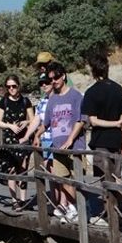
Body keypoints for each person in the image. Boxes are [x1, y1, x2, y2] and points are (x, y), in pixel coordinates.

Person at [81, 50, 122, 228]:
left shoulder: (91, 92)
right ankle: (119, 210)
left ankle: (109, 215)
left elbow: (92, 120)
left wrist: (113, 124)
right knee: (117, 178)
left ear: (93, 71)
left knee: (105, 178)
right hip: (117, 140)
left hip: (101, 140)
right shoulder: (119, 89)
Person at [42, 62, 85, 223]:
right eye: (51, 79)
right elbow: (45, 123)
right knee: (61, 178)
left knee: (74, 179)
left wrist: (71, 139)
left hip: (74, 146)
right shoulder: (52, 100)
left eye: (56, 77)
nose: (53, 81)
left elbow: (80, 120)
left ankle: (77, 207)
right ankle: (72, 207)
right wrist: (33, 136)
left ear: (64, 76)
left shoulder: (76, 96)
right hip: (57, 146)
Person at [0, 74, 34, 210]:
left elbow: (33, 119)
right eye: (8, 86)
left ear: (18, 86)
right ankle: (14, 200)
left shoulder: (25, 101)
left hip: (23, 138)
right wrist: (10, 126)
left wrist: (26, 122)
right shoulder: (3, 102)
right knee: (11, 169)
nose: (11, 89)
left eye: (14, 86)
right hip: (9, 139)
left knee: (22, 169)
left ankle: (23, 199)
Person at [23, 74, 57, 208]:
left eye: (46, 82)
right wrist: (27, 136)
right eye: (41, 83)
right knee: (50, 172)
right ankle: (56, 202)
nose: (44, 85)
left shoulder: (59, 98)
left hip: (58, 140)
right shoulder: (43, 101)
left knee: (59, 173)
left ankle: (65, 203)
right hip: (46, 140)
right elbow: (37, 119)